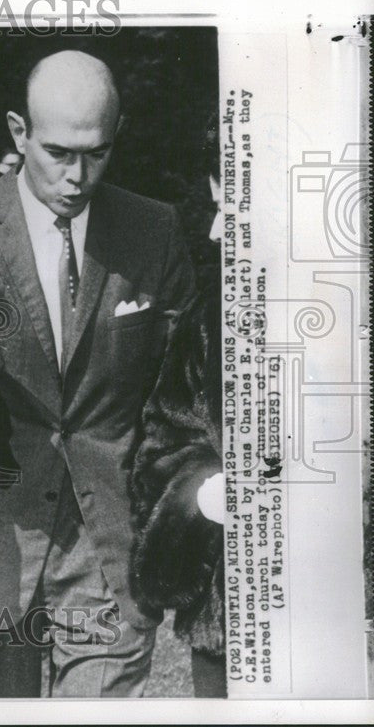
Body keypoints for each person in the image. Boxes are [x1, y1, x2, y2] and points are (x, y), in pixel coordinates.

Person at [0, 50, 196, 697]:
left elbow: (186, 391)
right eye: (58, 153)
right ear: (19, 132)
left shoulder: (154, 229)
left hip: (107, 537)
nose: (78, 176)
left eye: (97, 153)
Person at [129, 155, 225, 698]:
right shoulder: (208, 319)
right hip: (228, 615)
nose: (215, 232)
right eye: (216, 208)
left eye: (233, 213)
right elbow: (163, 439)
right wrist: (204, 490)